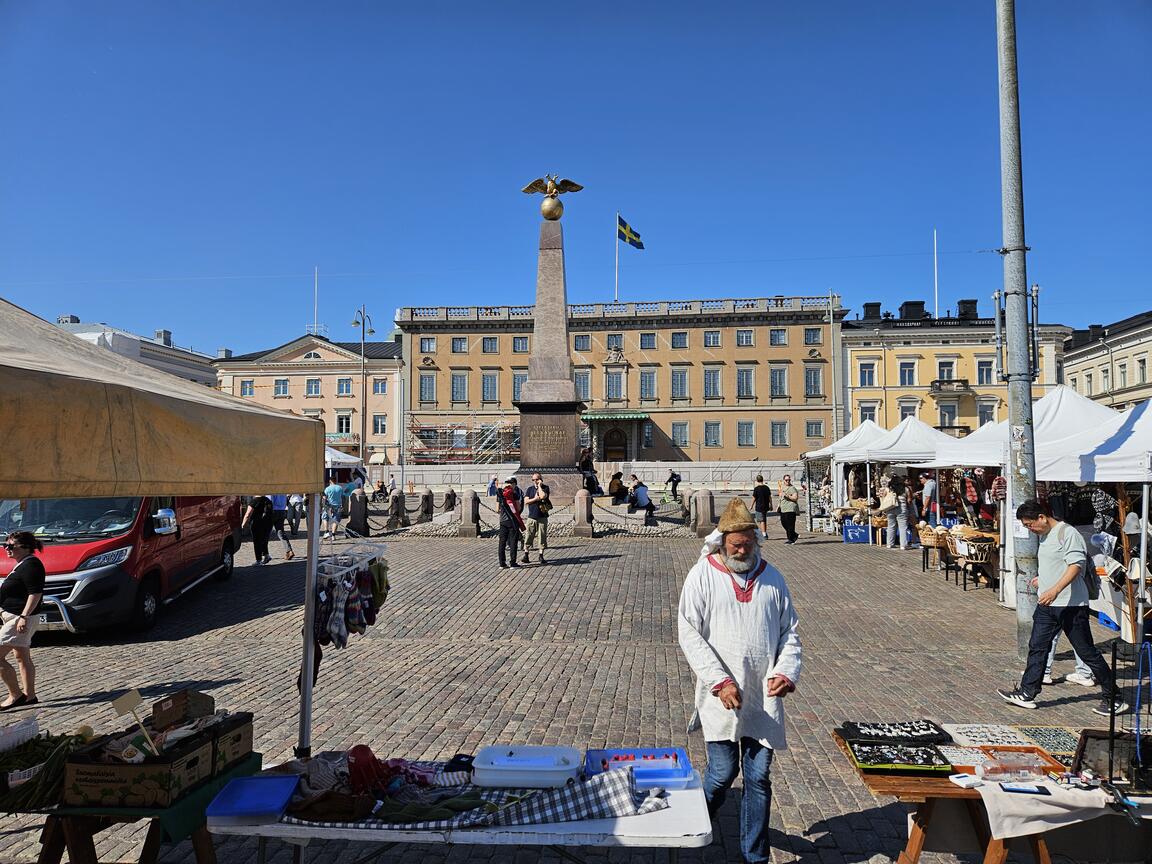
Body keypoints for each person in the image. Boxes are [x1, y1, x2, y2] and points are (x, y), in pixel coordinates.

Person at [678, 499, 802, 864]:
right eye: (735, 543)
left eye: (748, 541)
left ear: (756, 539)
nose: (742, 548)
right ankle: (693, 825)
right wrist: (719, 681)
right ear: (722, 541)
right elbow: (689, 632)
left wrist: (785, 672)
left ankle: (755, 856)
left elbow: (789, 632)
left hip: (763, 697)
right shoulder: (702, 575)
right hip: (722, 696)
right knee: (721, 774)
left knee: (759, 777)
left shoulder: (773, 577)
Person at [998, 500, 1127, 716]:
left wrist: (1055, 589)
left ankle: (1114, 697)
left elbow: (1076, 565)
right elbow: (1055, 564)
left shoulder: (1067, 533)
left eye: (1030, 524)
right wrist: (1043, 579)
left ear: (1042, 517)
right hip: (1047, 604)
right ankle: (1027, 692)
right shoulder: (1044, 536)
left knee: (1086, 652)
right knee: (1037, 646)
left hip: (1071, 605)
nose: (1030, 529)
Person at [1, 532, 45, 709]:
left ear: (26, 548)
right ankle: (30, 696)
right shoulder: (22, 564)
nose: (6, 549)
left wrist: (23, 617)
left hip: (20, 618)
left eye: (11, 546)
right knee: (21, 656)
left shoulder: (31, 565)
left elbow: (35, 593)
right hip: (13, 616)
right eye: (5, 545)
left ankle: (15, 695)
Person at [522, 473, 550, 564]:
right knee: (529, 536)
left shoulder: (545, 488)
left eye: (537, 479)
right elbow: (526, 501)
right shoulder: (530, 489)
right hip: (532, 516)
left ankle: (541, 556)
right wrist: (535, 499)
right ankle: (526, 554)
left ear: (541, 479)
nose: (535, 481)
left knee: (542, 536)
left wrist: (540, 486)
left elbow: (542, 496)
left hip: (542, 516)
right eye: (533, 480)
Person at [496, 477, 525, 568]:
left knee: (502, 542)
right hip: (513, 521)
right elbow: (519, 508)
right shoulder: (514, 494)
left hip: (503, 521)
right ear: (513, 484)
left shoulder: (500, 494)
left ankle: (502, 563)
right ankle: (513, 563)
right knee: (513, 542)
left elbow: (497, 509)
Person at [241, 495, 275, 565]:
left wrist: (243, 524)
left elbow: (248, 514)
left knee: (257, 542)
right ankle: (266, 555)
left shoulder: (254, 501)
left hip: (257, 523)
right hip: (268, 523)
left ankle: (258, 560)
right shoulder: (268, 500)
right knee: (264, 540)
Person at [885, 474, 911, 551]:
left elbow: (883, 498)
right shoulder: (906, 489)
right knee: (903, 527)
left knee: (891, 526)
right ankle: (903, 545)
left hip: (890, 507)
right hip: (902, 508)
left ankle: (889, 543)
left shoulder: (888, 489)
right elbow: (909, 500)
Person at [268, 493, 295, 561]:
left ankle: (265, 554)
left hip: (273, 511)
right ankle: (289, 550)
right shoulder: (283, 488)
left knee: (266, 533)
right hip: (282, 511)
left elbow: (270, 500)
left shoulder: (273, 487)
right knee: (281, 532)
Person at [778, 475, 800, 544]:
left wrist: (787, 496)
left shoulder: (792, 488)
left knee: (790, 524)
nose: (788, 481)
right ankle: (794, 535)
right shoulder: (782, 487)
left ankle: (791, 539)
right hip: (783, 508)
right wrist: (779, 506)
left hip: (791, 508)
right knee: (783, 523)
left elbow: (795, 498)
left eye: (789, 480)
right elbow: (781, 498)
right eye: (786, 480)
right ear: (784, 481)